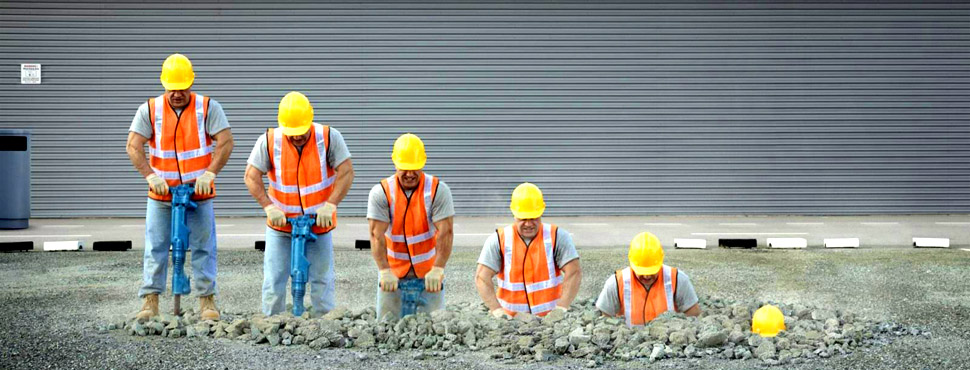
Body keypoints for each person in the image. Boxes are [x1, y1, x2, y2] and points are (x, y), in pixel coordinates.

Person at [126, 53, 234, 321]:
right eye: (171, 88)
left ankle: (207, 301)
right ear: (164, 84)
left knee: (203, 246)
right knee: (156, 246)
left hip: (199, 194)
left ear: (190, 83)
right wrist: (151, 176)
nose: (176, 93)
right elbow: (133, 145)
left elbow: (226, 141)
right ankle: (150, 301)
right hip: (161, 195)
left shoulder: (208, 108)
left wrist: (210, 173)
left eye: (182, 87)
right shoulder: (150, 110)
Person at [244, 92, 354, 317]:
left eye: (301, 132)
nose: (296, 137)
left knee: (322, 280)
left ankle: (323, 325)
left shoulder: (329, 138)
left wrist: (331, 204)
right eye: (291, 133)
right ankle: (271, 323)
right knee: (274, 278)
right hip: (282, 226)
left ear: (310, 122)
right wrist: (268, 207)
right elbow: (251, 175)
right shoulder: (270, 140)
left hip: (317, 225)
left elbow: (346, 172)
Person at [367, 133, 454, 320]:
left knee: (434, 330)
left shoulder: (438, 190)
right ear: (395, 164)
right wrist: (384, 270)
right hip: (393, 275)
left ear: (423, 163)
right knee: (386, 328)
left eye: (415, 168)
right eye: (404, 168)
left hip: (429, 276)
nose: (409, 174)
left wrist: (438, 268)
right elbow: (376, 235)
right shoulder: (381, 192)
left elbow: (445, 232)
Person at [475, 183, 582, 317]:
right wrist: (496, 310)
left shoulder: (557, 237)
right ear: (514, 214)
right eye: (523, 218)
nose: (528, 224)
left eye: (533, 218)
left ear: (541, 213)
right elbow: (482, 277)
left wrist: (561, 308)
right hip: (510, 321)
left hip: (549, 320)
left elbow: (574, 272)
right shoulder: (499, 240)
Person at [595, 232, 700, 327]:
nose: (647, 276)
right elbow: (605, 321)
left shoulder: (677, 279)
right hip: (629, 344)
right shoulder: (617, 282)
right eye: (641, 271)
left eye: (651, 271)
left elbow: (693, 314)